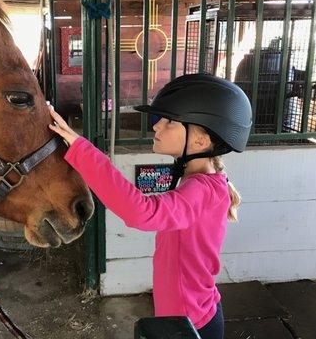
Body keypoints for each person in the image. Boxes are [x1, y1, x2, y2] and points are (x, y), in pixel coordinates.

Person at [48, 74, 252, 339]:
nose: (156, 127)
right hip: (190, 316)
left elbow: (141, 212)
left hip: (189, 327)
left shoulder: (200, 190)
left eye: (168, 121)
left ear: (200, 141)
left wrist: (81, 149)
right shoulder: (201, 181)